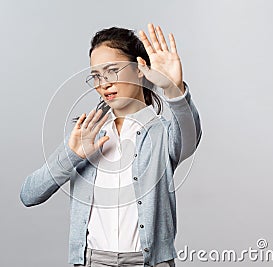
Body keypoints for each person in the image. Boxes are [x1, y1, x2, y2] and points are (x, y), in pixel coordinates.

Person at [20, 23, 202, 267]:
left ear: (139, 69)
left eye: (112, 70)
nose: (103, 83)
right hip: (92, 261)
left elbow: (190, 136)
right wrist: (72, 154)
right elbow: (29, 195)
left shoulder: (162, 133)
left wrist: (174, 90)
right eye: (96, 75)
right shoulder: (87, 135)